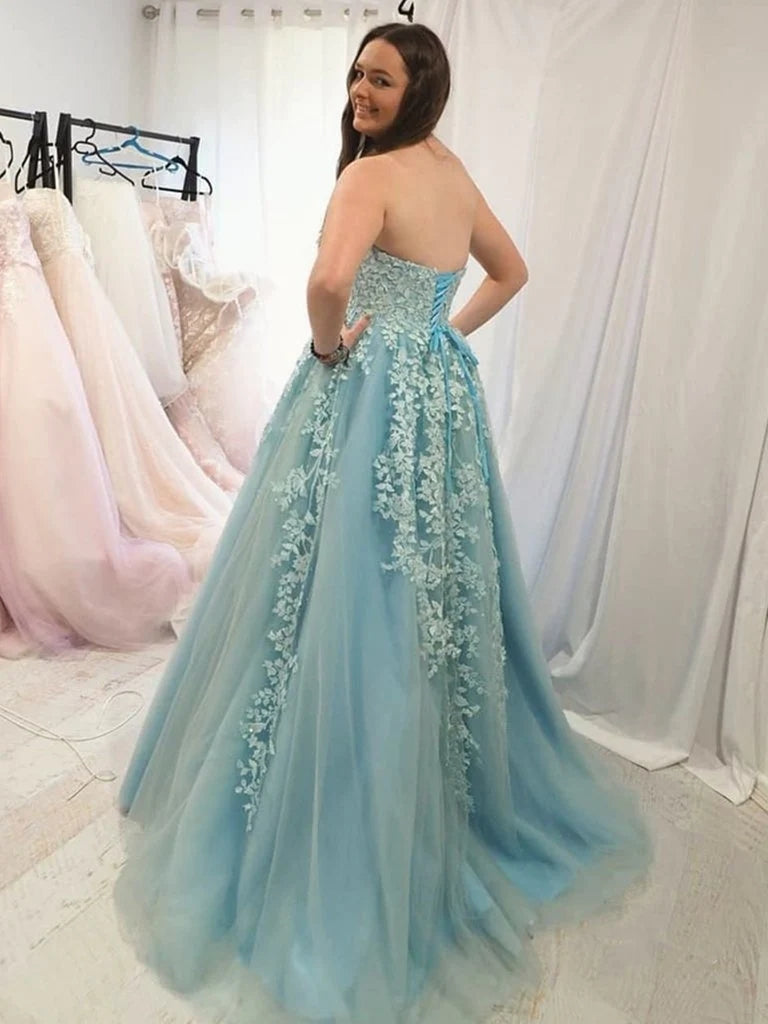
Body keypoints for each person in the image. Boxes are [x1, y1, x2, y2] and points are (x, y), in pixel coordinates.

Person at [114, 22, 652, 1024]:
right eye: (357, 74)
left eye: (381, 79)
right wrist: (439, 336)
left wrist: (331, 348)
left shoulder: (370, 174)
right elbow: (510, 270)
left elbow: (328, 284)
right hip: (438, 403)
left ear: (420, 91)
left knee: (339, 581)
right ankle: (419, 782)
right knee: (419, 586)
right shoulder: (448, 169)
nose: (360, 92)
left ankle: (334, 800)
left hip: (362, 393)